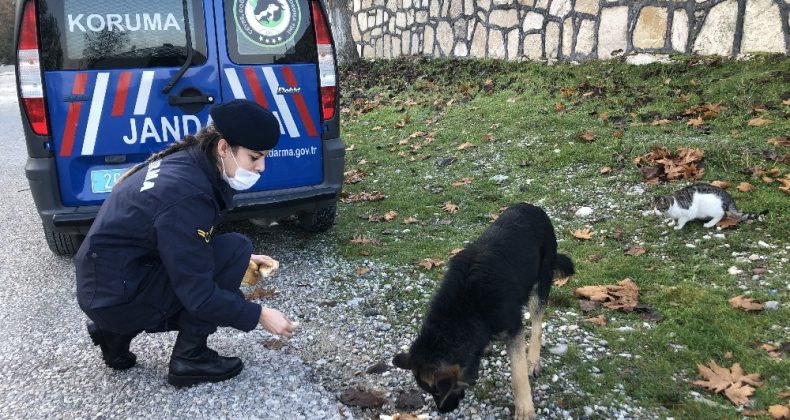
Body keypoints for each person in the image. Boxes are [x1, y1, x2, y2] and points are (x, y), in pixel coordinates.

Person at [75, 99, 296, 387]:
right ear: (223, 148)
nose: (261, 167)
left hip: (107, 286)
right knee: (231, 254)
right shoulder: (187, 194)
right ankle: (190, 357)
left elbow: (177, 240)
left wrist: (244, 260)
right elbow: (199, 295)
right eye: (254, 157)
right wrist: (259, 315)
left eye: (265, 157)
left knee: (237, 252)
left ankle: (113, 333)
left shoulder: (188, 162)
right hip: (117, 296)